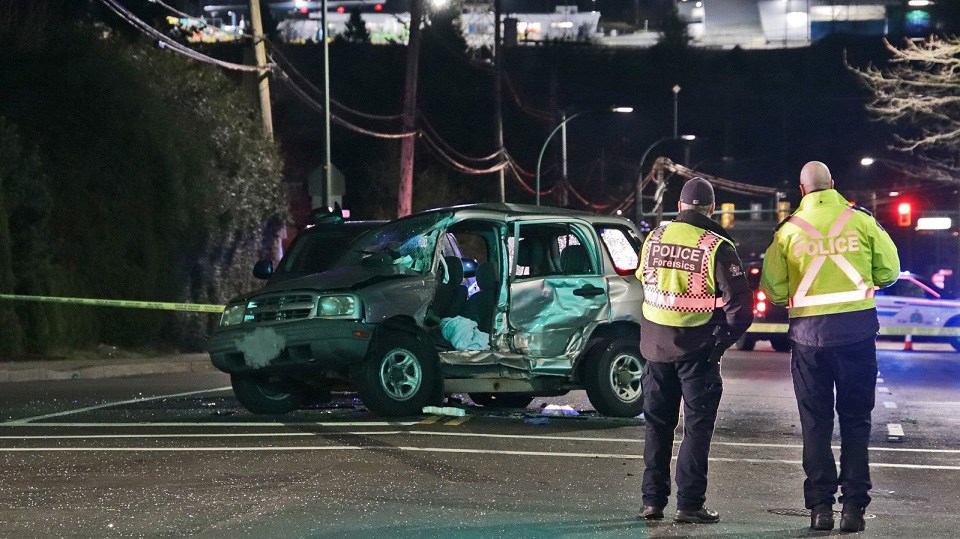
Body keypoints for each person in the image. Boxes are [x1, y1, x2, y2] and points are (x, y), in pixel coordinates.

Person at [760, 161, 900, 532]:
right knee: (856, 422)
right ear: (833, 185)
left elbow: (773, 290)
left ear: (802, 190)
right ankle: (854, 510)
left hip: (809, 341)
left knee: (816, 425)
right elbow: (889, 272)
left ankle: (820, 508)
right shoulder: (862, 220)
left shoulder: (788, 231)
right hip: (856, 337)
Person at [637, 177, 754, 524]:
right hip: (696, 352)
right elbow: (741, 309)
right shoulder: (716, 245)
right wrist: (719, 341)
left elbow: (645, 281)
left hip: (654, 348)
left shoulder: (654, 238)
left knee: (657, 426)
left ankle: (652, 502)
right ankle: (689, 505)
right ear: (711, 208)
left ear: (680, 206)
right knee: (696, 430)